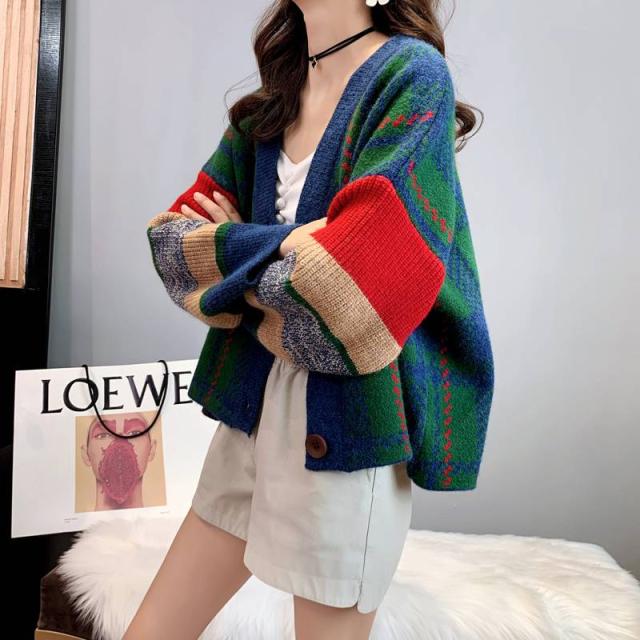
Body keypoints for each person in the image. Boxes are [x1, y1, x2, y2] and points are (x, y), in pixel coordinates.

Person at [126, 0, 493, 638]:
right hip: (249, 411)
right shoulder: (275, 99)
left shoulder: (411, 77)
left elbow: (353, 290)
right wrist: (301, 248)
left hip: (348, 424)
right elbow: (173, 248)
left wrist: (236, 253)